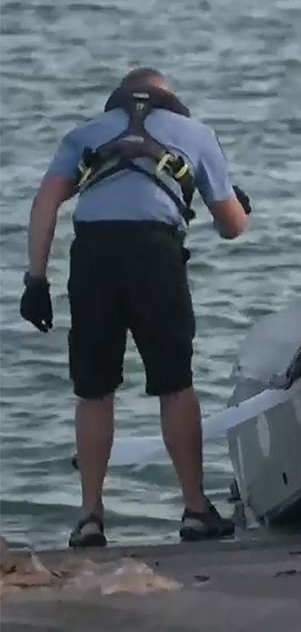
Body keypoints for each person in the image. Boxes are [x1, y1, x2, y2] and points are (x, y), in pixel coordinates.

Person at [19, 67, 252, 548]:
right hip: (154, 253)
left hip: (93, 255)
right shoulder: (196, 134)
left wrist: (35, 280)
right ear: (171, 99)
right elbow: (232, 226)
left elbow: (45, 203)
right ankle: (194, 510)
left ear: (117, 98)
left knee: (94, 389)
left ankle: (89, 517)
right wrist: (239, 205)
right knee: (175, 383)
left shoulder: (83, 133)